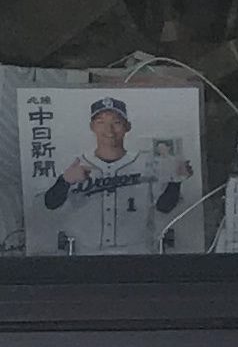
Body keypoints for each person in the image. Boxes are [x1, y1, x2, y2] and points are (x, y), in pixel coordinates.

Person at [40, 96, 193, 254]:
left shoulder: (146, 163)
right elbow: (50, 203)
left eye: (116, 122)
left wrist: (176, 180)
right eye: (101, 122)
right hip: (85, 254)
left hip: (136, 254)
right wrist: (65, 181)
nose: (109, 130)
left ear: (128, 126)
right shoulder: (76, 163)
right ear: (92, 126)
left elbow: (164, 207)